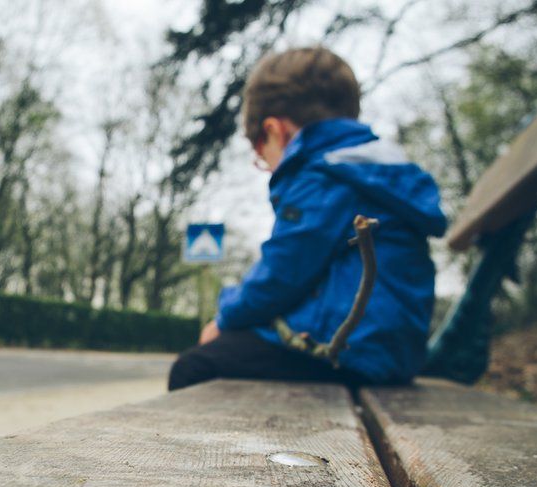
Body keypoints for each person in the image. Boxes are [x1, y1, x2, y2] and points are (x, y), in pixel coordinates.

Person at [168, 46, 447, 391]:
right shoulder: (374, 171)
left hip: (344, 353)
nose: (268, 167)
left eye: (261, 155)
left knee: (195, 367)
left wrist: (223, 318)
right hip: (389, 354)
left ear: (275, 131)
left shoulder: (323, 175)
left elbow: (282, 275)